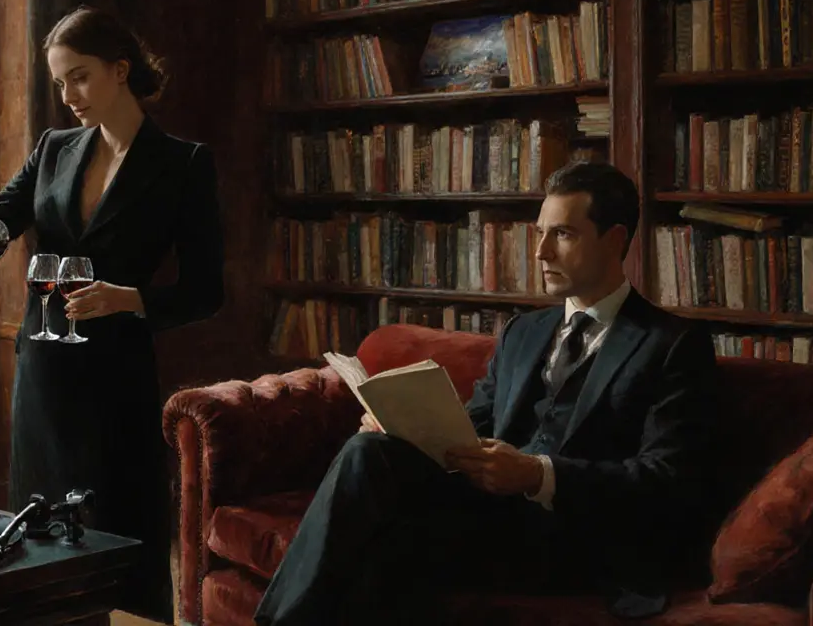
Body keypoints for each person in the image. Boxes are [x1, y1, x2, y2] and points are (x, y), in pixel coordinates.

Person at [253, 161, 719, 625]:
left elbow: (667, 481)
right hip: (488, 521)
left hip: (578, 539)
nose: (540, 253)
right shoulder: (525, 332)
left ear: (615, 240)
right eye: (540, 233)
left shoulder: (671, 343)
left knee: (379, 542)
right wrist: (403, 429)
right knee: (370, 453)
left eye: (562, 235)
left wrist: (539, 475)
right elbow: (471, 427)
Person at [0, 5, 224, 623]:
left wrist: (130, 298)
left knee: (119, 544)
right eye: (60, 82)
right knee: (36, 554)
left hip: (116, 385)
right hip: (44, 380)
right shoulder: (53, 149)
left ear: (122, 70)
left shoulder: (184, 165)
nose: (68, 96)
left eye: (81, 77)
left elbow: (206, 291)